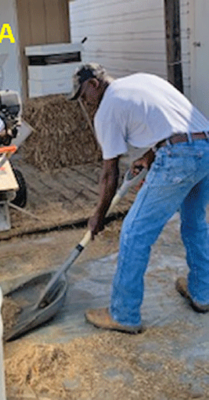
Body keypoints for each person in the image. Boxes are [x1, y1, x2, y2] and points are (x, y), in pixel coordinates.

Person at [68, 63, 209, 333]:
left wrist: (99, 214)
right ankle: (203, 293)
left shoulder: (107, 109)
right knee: (195, 224)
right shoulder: (143, 80)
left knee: (134, 233)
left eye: (84, 95)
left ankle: (124, 314)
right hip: (206, 148)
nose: (85, 103)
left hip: (179, 157)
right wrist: (149, 156)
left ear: (94, 84)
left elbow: (110, 173)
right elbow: (176, 128)